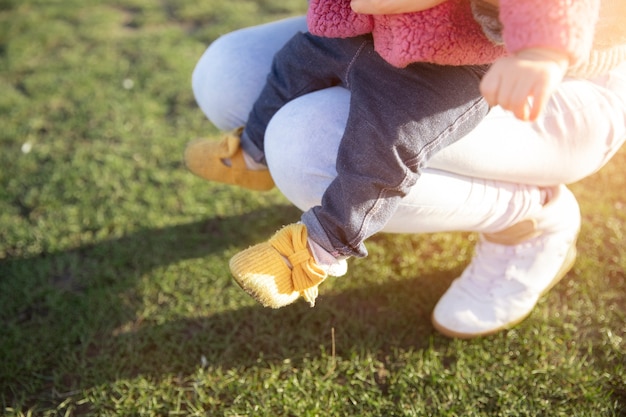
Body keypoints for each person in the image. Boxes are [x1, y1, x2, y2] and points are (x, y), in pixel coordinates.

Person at [189, 1, 626, 338]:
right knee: (272, 67)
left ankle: (317, 250)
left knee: (379, 141)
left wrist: (540, 52)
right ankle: (248, 155)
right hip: (374, 30)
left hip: (468, 55)